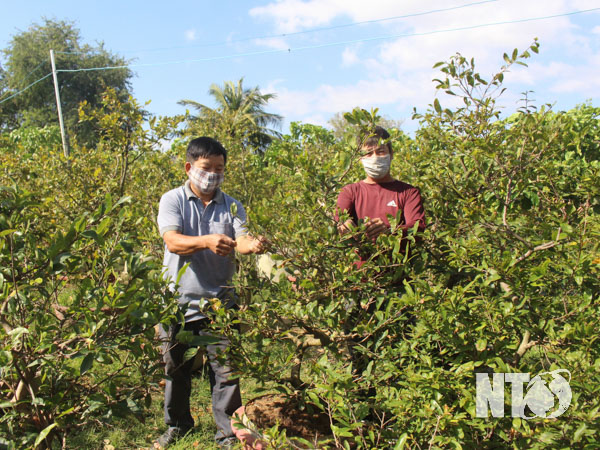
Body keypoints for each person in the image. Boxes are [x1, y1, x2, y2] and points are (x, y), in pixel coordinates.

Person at [155, 137, 267, 449]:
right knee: (175, 368)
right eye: (207, 168)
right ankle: (177, 426)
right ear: (189, 167)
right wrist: (206, 241)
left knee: (226, 372)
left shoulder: (232, 205)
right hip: (177, 301)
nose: (213, 174)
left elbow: (241, 240)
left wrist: (253, 245)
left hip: (221, 302)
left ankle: (228, 433)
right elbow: (173, 241)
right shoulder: (172, 200)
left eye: (219, 168)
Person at [336, 125, 425, 260]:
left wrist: (391, 230)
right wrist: (345, 226)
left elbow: (418, 228)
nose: (375, 157)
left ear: (391, 154)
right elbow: (338, 219)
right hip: (359, 276)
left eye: (381, 151)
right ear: (360, 158)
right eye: (368, 153)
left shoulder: (408, 192)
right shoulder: (350, 191)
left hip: (399, 276)